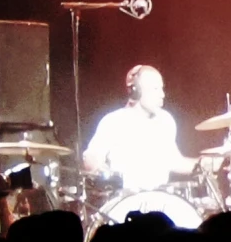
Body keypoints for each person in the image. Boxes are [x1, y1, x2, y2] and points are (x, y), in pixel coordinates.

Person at [82, 64, 195, 194]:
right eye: (155, 88)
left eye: (162, 88)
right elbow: (91, 157)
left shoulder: (165, 120)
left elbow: (175, 161)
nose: (162, 94)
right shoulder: (114, 121)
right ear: (135, 91)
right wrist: (98, 166)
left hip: (160, 199)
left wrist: (208, 163)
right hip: (126, 200)